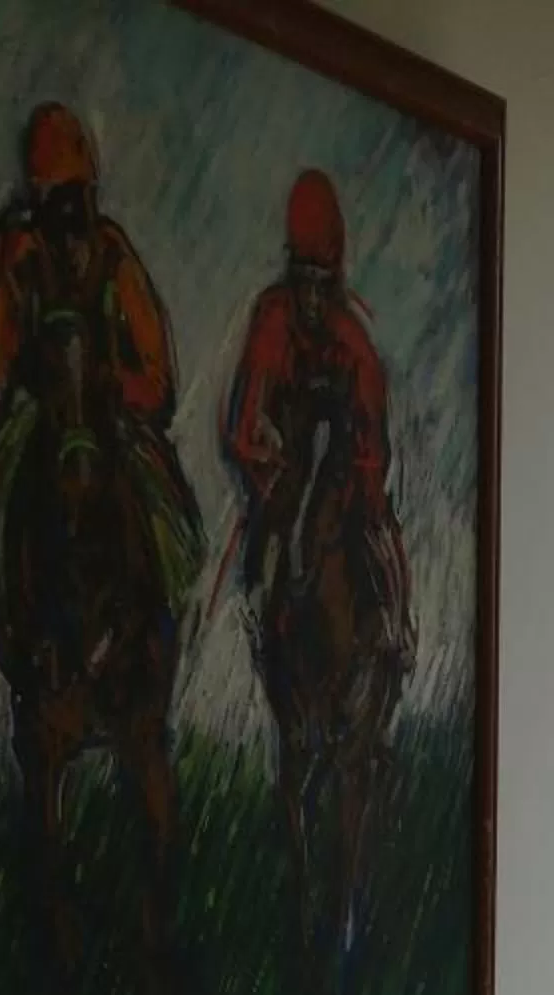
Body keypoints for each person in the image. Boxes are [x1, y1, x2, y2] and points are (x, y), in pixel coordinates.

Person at [0, 102, 202, 614]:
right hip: (40, 410)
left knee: (169, 516)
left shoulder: (115, 258)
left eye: (77, 199)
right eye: (56, 202)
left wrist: (115, 385)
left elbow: (159, 379)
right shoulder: (16, 260)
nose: (69, 221)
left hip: (111, 411)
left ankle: (172, 589)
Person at [221, 167, 415, 670]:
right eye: (302, 281)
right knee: (259, 547)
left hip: (343, 471)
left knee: (381, 537)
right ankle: (259, 614)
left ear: (335, 282)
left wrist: (363, 493)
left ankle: (396, 625)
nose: (310, 299)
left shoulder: (354, 343)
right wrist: (266, 465)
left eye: (321, 285)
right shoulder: (271, 319)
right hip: (287, 468)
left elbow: (372, 437)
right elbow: (245, 418)